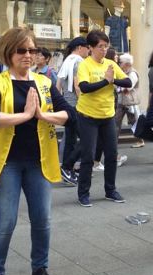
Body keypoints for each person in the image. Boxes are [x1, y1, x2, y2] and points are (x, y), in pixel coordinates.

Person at [0, 27, 75, 275]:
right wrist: (24, 116)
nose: (28, 55)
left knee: (42, 220)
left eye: (32, 50)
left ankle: (40, 269)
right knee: (5, 222)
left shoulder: (43, 83)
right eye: (22, 50)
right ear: (9, 52)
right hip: (7, 162)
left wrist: (43, 115)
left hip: (38, 162)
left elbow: (68, 113)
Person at [76, 30, 131, 207]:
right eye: (100, 46)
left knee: (112, 154)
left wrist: (112, 80)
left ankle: (110, 190)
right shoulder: (85, 65)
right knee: (88, 156)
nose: (104, 50)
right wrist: (106, 81)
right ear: (90, 48)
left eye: (106, 46)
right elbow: (84, 87)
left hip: (107, 116)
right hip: (88, 116)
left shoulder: (110, 64)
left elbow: (128, 82)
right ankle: (83, 193)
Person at [56, 36, 90, 186]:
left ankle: (68, 171)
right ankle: (67, 167)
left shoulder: (67, 61)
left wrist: (60, 103)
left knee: (70, 139)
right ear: (79, 48)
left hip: (67, 105)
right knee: (88, 139)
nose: (89, 51)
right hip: (77, 105)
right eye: (87, 47)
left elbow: (58, 84)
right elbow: (78, 86)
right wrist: (85, 104)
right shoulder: (78, 62)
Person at [116, 53, 143, 148]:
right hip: (123, 101)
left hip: (129, 102)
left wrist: (118, 89)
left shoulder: (132, 73)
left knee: (133, 121)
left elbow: (128, 86)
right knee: (117, 122)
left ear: (127, 63)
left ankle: (141, 139)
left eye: (121, 62)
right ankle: (113, 142)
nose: (119, 64)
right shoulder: (124, 72)